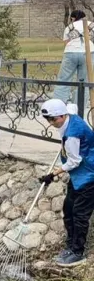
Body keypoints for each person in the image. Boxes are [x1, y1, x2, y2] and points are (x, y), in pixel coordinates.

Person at [39, 99, 94, 267]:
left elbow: (74, 161)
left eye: (54, 120)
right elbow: (73, 106)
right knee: (68, 209)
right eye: (49, 120)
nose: (51, 123)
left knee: (79, 214)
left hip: (89, 175)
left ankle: (78, 252)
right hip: (78, 177)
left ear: (62, 116)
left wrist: (52, 174)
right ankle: (70, 246)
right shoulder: (69, 113)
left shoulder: (72, 135)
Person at [53, 10, 91, 112]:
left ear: (73, 18)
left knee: (63, 80)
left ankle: (57, 108)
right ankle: (79, 108)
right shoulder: (91, 25)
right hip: (89, 53)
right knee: (84, 82)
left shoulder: (69, 28)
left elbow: (66, 43)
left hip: (70, 53)